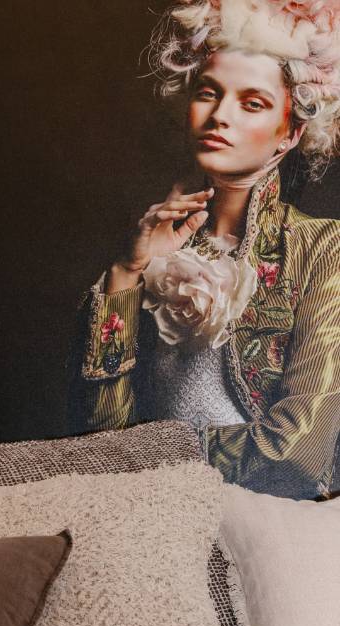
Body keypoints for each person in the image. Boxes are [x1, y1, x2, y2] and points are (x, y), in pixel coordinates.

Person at [76, 0, 340, 499]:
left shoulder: (323, 248)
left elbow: (299, 452)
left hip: (268, 521)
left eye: (252, 103)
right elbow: (96, 433)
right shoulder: (155, 245)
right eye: (208, 93)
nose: (220, 115)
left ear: (292, 132)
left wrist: (149, 459)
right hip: (152, 514)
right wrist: (125, 272)